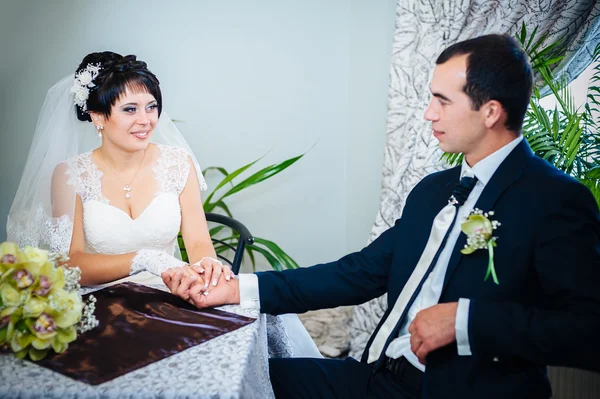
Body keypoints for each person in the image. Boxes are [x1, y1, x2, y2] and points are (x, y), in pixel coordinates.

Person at [163, 34, 600, 399]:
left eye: (441, 101)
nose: (429, 112)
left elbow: (586, 330)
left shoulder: (556, 200)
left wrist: (464, 321)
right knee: (235, 386)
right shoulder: (433, 191)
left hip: (461, 392)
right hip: (376, 380)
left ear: (490, 111)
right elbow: (357, 273)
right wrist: (235, 289)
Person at [6, 51, 321, 358]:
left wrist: (207, 264)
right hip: (102, 304)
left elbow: (198, 241)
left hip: (170, 294)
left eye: (152, 106)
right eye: (130, 109)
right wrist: (145, 258)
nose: (146, 121)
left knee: (258, 329)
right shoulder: (70, 175)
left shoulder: (177, 163)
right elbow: (70, 263)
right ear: (98, 116)